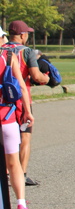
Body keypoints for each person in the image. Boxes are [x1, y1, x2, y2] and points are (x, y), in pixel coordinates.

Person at [5, 20, 50, 187]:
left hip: (4, 100)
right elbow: (36, 76)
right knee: (25, 137)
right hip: (22, 100)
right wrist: (47, 78)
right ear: (22, 35)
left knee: (6, 136)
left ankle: (6, 172)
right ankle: (22, 174)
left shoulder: (2, 49)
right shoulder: (27, 52)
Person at [0, 27, 35, 209]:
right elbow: (21, 85)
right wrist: (27, 111)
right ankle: (21, 204)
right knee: (13, 164)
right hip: (6, 116)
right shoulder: (8, 57)